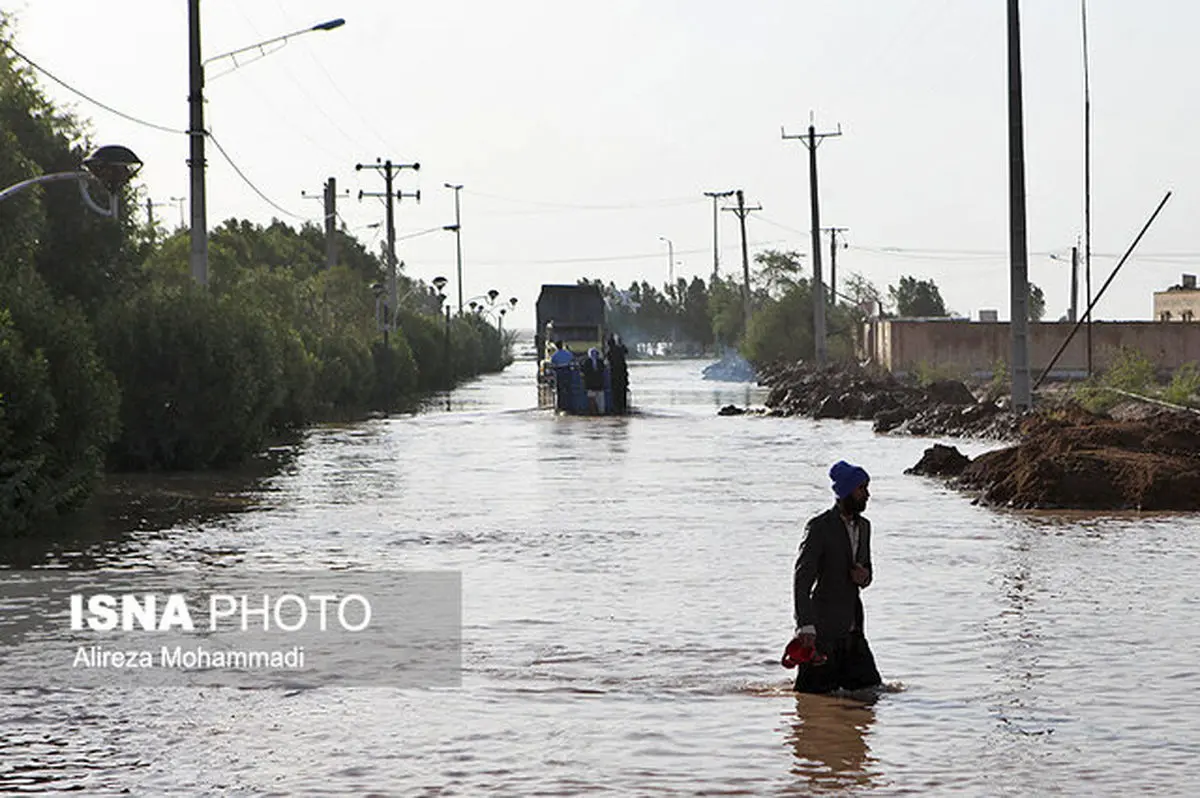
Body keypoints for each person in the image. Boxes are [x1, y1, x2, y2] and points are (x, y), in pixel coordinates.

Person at [789, 460, 882, 694]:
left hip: (853, 627)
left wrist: (865, 576)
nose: (867, 495)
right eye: (862, 489)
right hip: (822, 631)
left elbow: (867, 571)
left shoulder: (865, 526)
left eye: (867, 488)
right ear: (846, 491)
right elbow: (802, 579)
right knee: (813, 697)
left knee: (869, 692)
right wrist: (805, 626)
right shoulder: (819, 527)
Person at [606, 333, 629, 413]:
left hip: (614, 375)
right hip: (622, 374)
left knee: (615, 392)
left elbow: (608, 362)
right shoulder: (620, 349)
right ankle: (623, 407)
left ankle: (617, 408)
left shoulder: (609, 352)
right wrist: (620, 343)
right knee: (622, 392)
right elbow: (626, 351)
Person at [580, 346, 606, 414]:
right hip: (599, 383)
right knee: (599, 400)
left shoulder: (586, 362)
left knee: (592, 398)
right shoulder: (600, 362)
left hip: (590, 384)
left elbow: (583, 371)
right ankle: (600, 412)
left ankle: (594, 412)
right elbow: (603, 370)